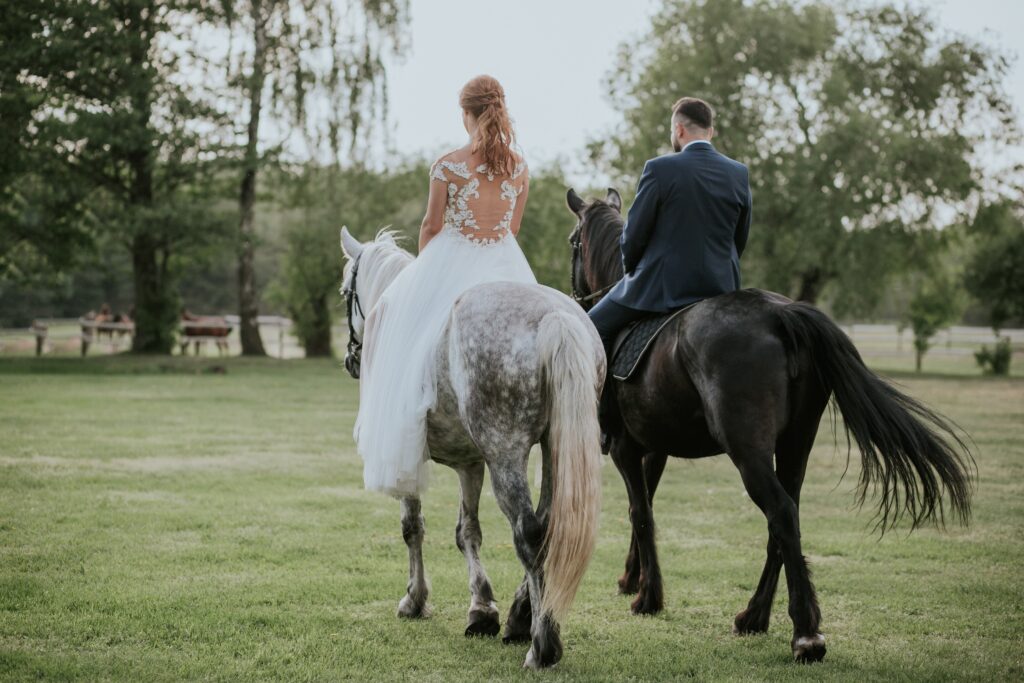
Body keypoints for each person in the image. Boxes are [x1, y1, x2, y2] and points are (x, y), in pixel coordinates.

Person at [355, 75, 537, 497]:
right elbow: (513, 227)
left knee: (390, 320)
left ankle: (405, 427)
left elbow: (431, 226)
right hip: (505, 260)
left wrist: (425, 275)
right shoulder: (520, 168)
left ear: (467, 114)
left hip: (450, 255)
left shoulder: (448, 165)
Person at [587, 97, 752, 355]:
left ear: (679, 130)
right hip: (721, 287)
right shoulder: (738, 173)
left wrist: (631, 270)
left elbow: (634, 236)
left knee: (589, 327)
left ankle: (603, 396)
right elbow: (739, 238)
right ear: (710, 131)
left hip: (662, 287)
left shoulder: (659, 169)